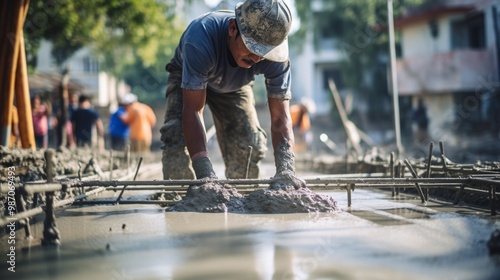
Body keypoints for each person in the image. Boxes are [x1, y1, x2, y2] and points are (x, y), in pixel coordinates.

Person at [159, 0, 306, 189]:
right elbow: (193, 110)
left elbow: (280, 117)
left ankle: (241, 199)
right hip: (186, 77)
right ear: (232, 28)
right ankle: (180, 200)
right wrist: (206, 174)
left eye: (264, 53)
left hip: (235, 85)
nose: (257, 58)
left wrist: (286, 169)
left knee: (248, 142)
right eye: (253, 48)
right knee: (175, 137)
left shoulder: (276, 58)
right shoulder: (200, 37)